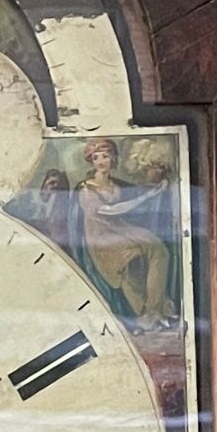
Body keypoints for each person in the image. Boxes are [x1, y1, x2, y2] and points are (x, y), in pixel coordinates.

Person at [68, 137, 175, 326]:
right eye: (96, 158)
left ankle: (156, 309)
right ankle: (145, 314)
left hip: (120, 228)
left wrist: (156, 190)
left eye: (105, 156)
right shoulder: (86, 189)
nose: (101, 161)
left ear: (113, 159)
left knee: (159, 250)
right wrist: (148, 196)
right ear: (91, 161)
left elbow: (132, 198)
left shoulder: (116, 186)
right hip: (101, 237)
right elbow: (110, 210)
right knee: (130, 261)